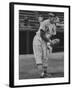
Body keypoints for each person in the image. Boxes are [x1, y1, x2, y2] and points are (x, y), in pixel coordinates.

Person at [33, 13, 59, 78]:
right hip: (38, 39)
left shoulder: (54, 26)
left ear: (55, 18)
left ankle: (45, 73)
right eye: (49, 16)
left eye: (52, 16)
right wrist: (49, 41)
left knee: (45, 57)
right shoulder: (45, 22)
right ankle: (42, 75)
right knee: (39, 56)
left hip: (45, 41)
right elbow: (42, 35)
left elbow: (49, 35)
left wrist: (52, 42)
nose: (50, 17)